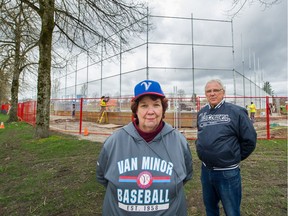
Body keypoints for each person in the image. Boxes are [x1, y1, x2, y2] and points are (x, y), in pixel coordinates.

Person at [96, 79, 193, 215]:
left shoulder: (179, 141)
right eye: (144, 106)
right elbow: (102, 176)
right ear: (135, 110)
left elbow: (186, 175)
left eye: (156, 105)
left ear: (163, 109)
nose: (151, 111)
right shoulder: (114, 142)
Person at [196, 79, 257, 216]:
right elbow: (200, 134)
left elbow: (250, 140)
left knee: (232, 211)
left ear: (223, 93)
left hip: (227, 173)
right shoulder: (202, 113)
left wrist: (233, 156)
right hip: (206, 170)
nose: (212, 94)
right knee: (210, 209)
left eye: (216, 90)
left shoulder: (236, 112)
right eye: (208, 91)